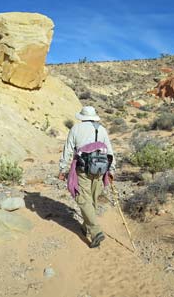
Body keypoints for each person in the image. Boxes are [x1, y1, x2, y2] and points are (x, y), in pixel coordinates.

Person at [58, 106, 115, 248]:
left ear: (82, 117)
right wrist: (111, 169)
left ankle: (95, 232)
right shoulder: (101, 129)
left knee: (83, 199)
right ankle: (85, 227)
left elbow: (68, 149)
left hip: (83, 168)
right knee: (93, 199)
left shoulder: (76, 129)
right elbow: (109, 151)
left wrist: (63, 168)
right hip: (100, 168)